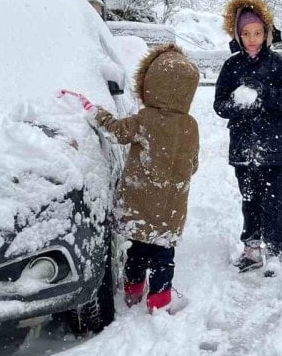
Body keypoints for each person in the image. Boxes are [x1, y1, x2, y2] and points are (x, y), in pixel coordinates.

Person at [76, 44, 200, 313]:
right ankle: (159, 299)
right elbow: (193, 165)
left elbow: (117, 132)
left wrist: (95, 112)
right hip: (171, 207)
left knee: (138, 250)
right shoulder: (190, 125)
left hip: (140, 204)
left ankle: (133, 291)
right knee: (163, 255)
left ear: (150, 84)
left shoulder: (146, 119)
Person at [213, 0, 282, 275]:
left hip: (273, 147)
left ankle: (273, 250)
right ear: (238, 35)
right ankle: (251, 249)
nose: (252, 38)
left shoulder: (276, 64)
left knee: (274, 201)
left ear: (266, 34)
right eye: (246, 33)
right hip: (243, 148)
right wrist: (237, 104)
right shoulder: (231, 66)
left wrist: (264, 95)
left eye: (257, 33)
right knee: (249, 199)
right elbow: (219, 105)